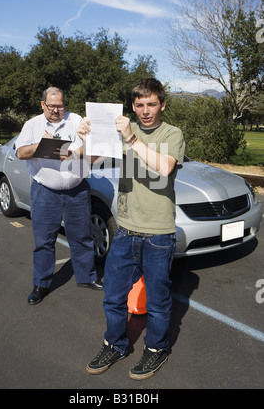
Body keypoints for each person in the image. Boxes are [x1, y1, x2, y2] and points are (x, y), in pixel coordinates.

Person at [78, 78, 185, 380]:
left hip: (158, 233)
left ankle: (157, 348)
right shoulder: (124, 131)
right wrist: (86, 139)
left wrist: (131, 139)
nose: (145, 110)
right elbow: (86, 163)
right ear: (133, 106)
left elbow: (163, 168)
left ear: (162, 104)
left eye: (152, 104)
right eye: (139, 105)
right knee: (113, 294)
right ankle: (115, 344)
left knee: (158, 301)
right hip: (125, 230)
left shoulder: (171, 133)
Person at [16, 86, 103, 306]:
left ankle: (87, 277)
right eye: (52, 106)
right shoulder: (32, 125)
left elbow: (94, 151)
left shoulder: (77, 121)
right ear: (42, 104)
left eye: (60, 105)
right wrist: (43, 146)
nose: (56, 110)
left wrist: (73, 150)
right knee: (44, 241)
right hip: (45, 191)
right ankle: (41, 284)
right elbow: (20, 152)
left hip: (77, 189)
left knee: (82, 237)